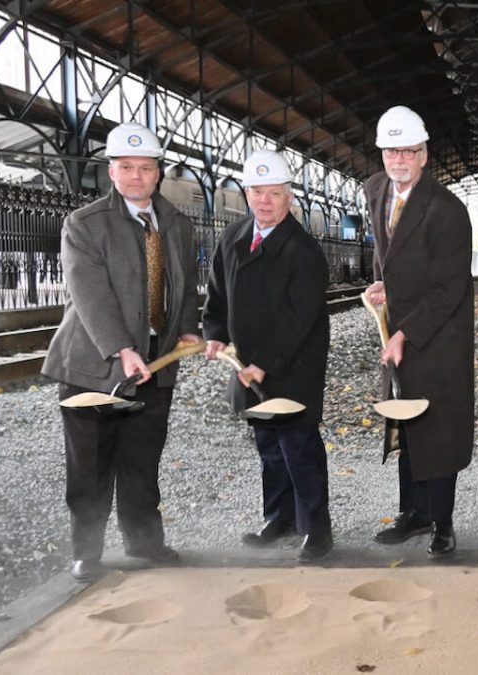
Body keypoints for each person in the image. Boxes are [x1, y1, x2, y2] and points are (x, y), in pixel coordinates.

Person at [42, 122, 200, 582]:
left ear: (158, 173)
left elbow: (185, 287)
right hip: (93, 366)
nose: (135, 176)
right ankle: (86, 553)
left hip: (155, 365)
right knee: (90, 464)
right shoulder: (84, 224)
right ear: (111, 172)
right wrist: (121, 349)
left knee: (141, 458)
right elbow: (90, 295)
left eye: (145, 168)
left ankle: (145, 543)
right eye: (126, 167)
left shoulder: (177, 224)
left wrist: (186, 329)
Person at [202, 150, 332, 562]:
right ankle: (279, 518)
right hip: (248, 366)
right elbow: (217, 293)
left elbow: (300, 319)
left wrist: (266, 363)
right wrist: (215, 334)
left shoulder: (304, 251)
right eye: (257, 191)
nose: (264, 200)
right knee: (268, 447)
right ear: (246, 192)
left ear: (289, 197)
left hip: (292, 365)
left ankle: (317, 529)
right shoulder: (233, 236)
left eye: (274, 193)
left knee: (299, 447)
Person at [363, 105, 475, 557]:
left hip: (438, 336)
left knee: (438, 429)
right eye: (391, 151)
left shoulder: (446, 209)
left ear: (425, 155)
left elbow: (451, 286)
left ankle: (442, 524)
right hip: (400, 332)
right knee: (406, 425)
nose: (399, 159)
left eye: (409, 151)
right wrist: (381, 286)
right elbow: (387, 255)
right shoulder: (375, 191)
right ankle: (413, 513)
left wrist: (405, 332)